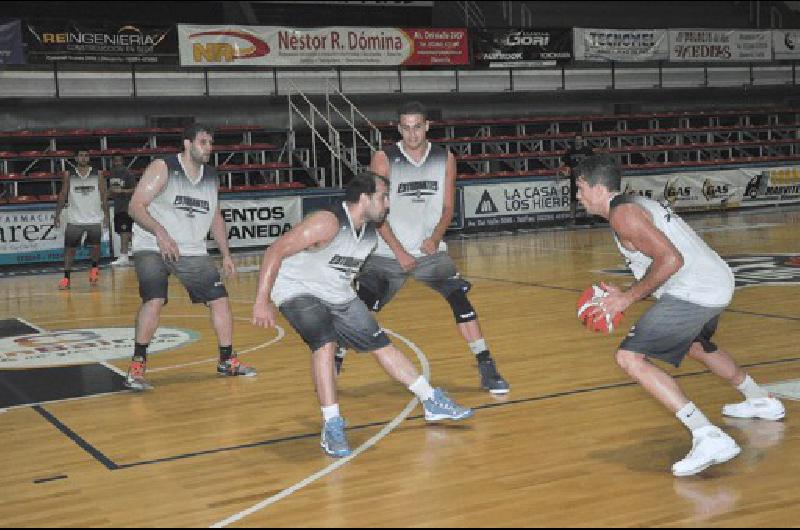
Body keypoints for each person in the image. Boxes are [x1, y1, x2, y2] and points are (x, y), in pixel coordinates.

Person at [575, 154, 785, 477]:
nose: (578, 196)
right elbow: (658, 262)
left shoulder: (623, 215)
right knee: (695, 345)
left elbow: (670, 260)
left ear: (597, 188)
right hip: (715, 280)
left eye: (580, 188)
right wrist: (625, 291)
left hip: (697, 289)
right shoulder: (632, 206)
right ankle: (759, 398)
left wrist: (626, 300)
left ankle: (707, 435)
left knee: (629, 358)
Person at [251, 172, 473, 458]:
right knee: (325, 342)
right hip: (296, 289)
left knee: (381, 343)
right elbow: (274, 250)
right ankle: (332, 425)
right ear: (364, 198)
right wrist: (261, 300)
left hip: (337, 292)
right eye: (383, 196)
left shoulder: (371, 229)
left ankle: (431, 400)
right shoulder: (326, 222)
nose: (388, 203)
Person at [347, 101, 509, 395]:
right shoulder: (384, 158)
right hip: (387, 253)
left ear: (427, 126)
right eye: (406, 128)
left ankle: (487, 366)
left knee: (460, 300)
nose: (412, 134)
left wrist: (435, 238)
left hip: (431, 252)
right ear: (399, 128)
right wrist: (400, 252)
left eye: (417, 127)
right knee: (358, 310)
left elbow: (448, 206)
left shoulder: (444, 158)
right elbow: (376, 213)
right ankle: (335, 360)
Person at [124, 124, 255, 390]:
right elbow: (134, 206)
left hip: (191, 248)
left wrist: (226, 254)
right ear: (187, 144)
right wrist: (160, 232)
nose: (209, 147)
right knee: (155, 299)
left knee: (220, 301)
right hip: (153, 243)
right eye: (203, 142)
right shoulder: (164, 167)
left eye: (210, 143)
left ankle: (226, 360)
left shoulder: (211, 176)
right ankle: (137, 364)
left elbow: (215, 216)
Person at [54, 150, 110, 290]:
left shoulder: (98, 174)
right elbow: (63, 194)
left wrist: (107, 215)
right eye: (81, 155)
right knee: (69, 250)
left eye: (86, 155)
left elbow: (103, 195)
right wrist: (57, 214)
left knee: (95, 247)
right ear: (76, 158)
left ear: (89, 158)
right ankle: (66, 278)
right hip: (75, 218)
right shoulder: (69, 174)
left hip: (94, 217)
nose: (83, 158)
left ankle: (94, 269)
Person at [108, 155, 137, 267]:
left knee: (125, 232)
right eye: (115, 160)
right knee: (123, 232)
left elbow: (135, 189)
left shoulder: (128, 174)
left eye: (119, 160)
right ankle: (128, 255)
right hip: (118, 207)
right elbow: (112, 191)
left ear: (123, 161)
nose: (117, 162)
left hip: (127, 206)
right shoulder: (112, 174)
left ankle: (124, 256)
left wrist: (122, 191)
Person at [560, 134, 594, 225]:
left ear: (582, 141)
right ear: (574, 141)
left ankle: (590, 217)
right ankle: (572, 218)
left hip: (585, 177)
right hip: (574, 178)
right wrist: (559, 171)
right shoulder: (570, 151)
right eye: (576, 139)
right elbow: (563, 163)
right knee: (573, 199)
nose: (578, 141)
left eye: (579, 139)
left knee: (587, 197)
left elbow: (594, 161)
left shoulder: (587, 150)